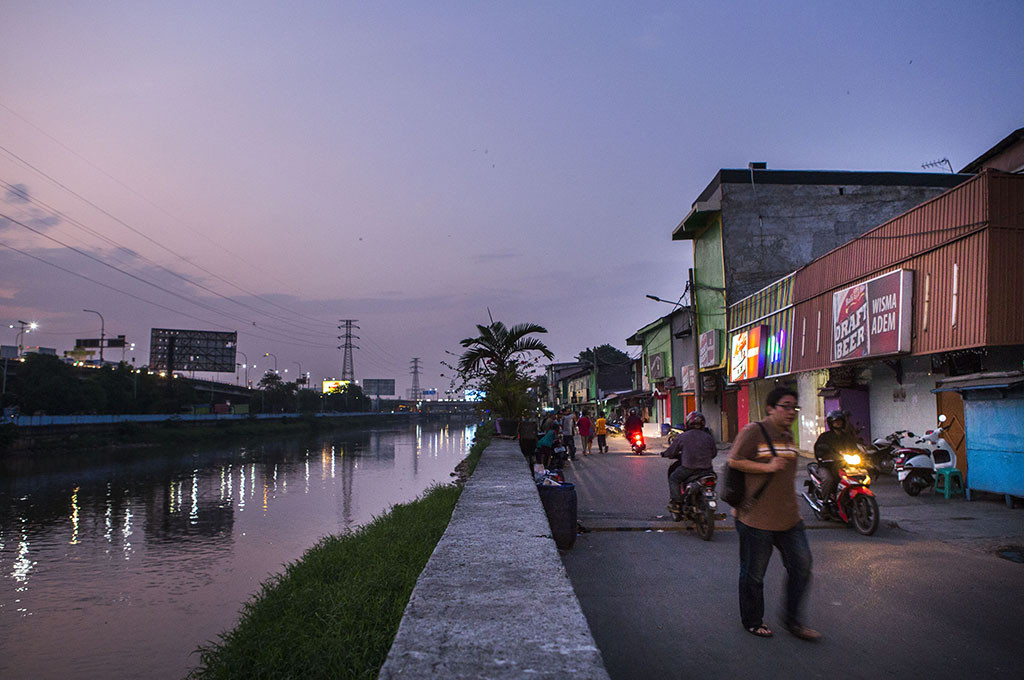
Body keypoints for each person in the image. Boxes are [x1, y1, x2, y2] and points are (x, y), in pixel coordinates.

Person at [728, 386, 820, 642]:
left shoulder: (788, 435)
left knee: (802, 566)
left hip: (789, 518)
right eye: (785, 406)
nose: (791, 412)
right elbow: (734, 461)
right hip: (756, 518)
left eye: (794, 407)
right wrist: (766, 467)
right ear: (770, 408)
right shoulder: (754, 431)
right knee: (754, 574)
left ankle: (793, 621)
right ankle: (753, 621)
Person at [662, 411, 717, 514]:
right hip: (707, 470)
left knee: (674, 478)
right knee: (712, 481)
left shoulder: (683, 436)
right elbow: (714, 453)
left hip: (688, 469)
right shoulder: (709, 437)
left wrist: (664, 454)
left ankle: (676, 504)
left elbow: (671, 451)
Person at [812, 410, 859, 516]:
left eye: (840, 421)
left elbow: (855, 449)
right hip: (827, 465)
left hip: (844, 465)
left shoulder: (847, 437)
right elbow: (819, 450)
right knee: (828, 480)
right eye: (835, 421)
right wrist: (824, 457)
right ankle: (825, 504)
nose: (838, 423)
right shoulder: (825, 437)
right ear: (831, 423)